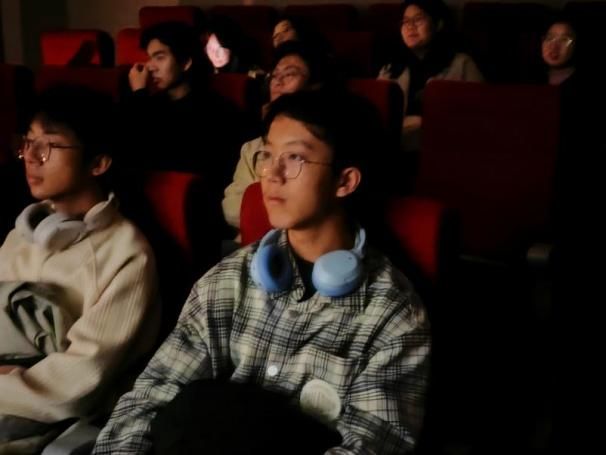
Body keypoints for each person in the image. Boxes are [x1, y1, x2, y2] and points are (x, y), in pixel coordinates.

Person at [93, 90, 431, 454]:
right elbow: (153, 394)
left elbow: (373, 444)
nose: (271, 174)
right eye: (267, 155)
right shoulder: (228, 279)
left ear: (345, 181)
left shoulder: (392, 312)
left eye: (295, 157)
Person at [0, 85, 160, 453]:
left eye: (49, 145)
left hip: (49, 422)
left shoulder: (127, 254)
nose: (31, 157)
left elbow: (79, 381)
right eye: (28, 142)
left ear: (98, 163)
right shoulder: (22, 234)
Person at [222, 41, 334, 236]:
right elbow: (231, 208)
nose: (277, 82)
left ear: (315, 84)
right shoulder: (253, 148)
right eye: (274, 75)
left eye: (289, 74)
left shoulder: (330, 141)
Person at [123, 21, 243, 184]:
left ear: (185, 62)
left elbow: (162, 155)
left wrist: (139, 95)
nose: (150, 67)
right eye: (149, 58)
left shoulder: (216, 110)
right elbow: (128, 151)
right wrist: (138, 95)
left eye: (159, 58)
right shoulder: (149, 103)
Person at [378, 0, 483, 150]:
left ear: (438, 24)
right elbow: (377, 115)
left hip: (447, 146)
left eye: (418, 19)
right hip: (395, 148)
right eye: (405, 21)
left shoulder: (462, 64)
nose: (410, 26)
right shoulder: (390, 68)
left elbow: (481, 115)